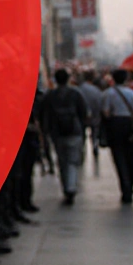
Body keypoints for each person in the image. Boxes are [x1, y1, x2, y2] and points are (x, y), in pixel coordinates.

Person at [42, 68, 88, 205]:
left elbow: (45, 115)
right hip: (74, 132)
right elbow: (83, 113)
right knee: (73, 161)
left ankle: (66, 188)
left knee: (62, 162)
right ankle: (71, 187)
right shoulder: (76, 94)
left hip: (57, 134)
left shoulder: (50, 95)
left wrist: (46, 131)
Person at [101, 68, 133, 203]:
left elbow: (106, 112)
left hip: (115, 125)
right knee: (132, 158)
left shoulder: (108, 93)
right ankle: (131, 184)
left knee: (119, 158)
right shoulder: (131, 93)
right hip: (129, 125)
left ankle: (125, 188)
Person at [76, 71, 105, 170]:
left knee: (82, 134)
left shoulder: (78, 90)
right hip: (94, 117)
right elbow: (100, 103)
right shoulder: (96, 90)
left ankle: (81, 149)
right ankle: (95, 146)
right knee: (94, 133)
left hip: (81, 117)